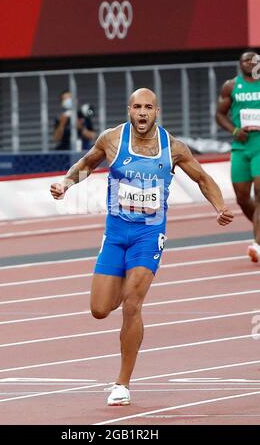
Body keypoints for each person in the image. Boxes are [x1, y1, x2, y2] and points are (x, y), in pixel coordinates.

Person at [50, 88, 233, 406]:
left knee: (133, 304)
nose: (143, 112)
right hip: (116, 232)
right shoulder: (111, 139)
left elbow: (202, 178)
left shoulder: (172, 147)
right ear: (129, 110)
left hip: (149, 235)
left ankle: (122, 383)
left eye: (148, 107)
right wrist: (66, 183)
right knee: (99, 310)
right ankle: (121, 284)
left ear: (157, 111)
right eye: (137, 107)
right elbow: (87, 163)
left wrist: (219, 207)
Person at [216, 51, 260, 263]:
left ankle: (257, 243)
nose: (250, 63)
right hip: (241, 146)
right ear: (239, 64)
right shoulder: (231, 86)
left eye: (253, 59)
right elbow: (219, 114)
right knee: (242, 197)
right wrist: (234, 131)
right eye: (245, 60)